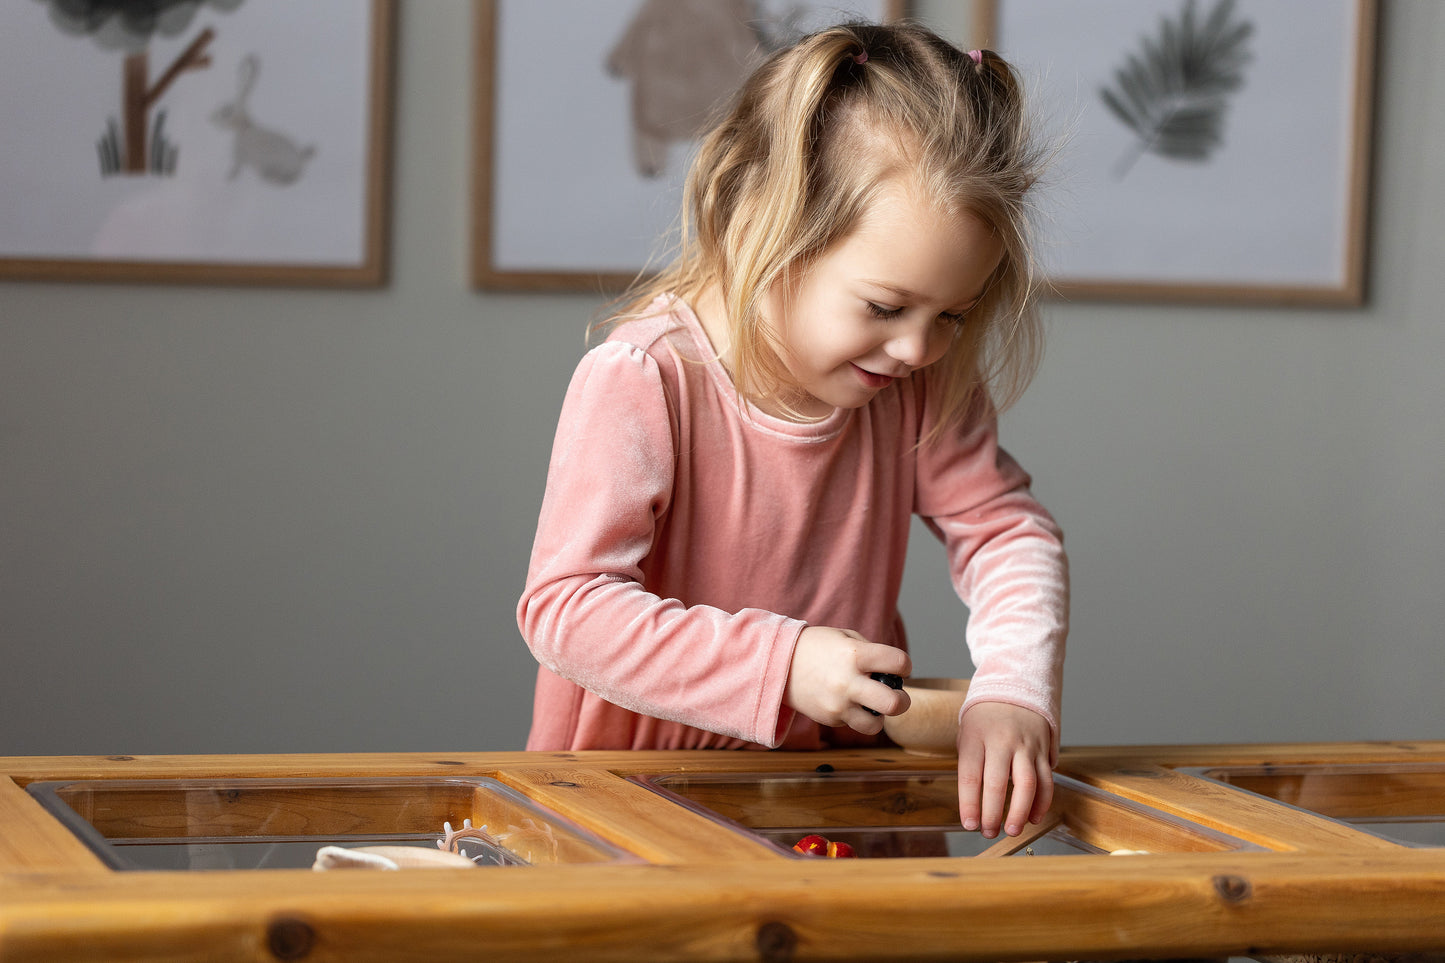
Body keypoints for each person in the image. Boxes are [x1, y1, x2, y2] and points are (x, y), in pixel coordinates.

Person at [517, 21, 1068, 841]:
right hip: (634, 811)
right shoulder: (644, 378)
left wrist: (1014, 689)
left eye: (952, 313)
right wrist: (781, 664)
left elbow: (1003, 532)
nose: (918, 346)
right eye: (884, 307)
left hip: (835, 801)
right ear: (759, 225)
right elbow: (565, 609)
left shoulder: (918, 378)